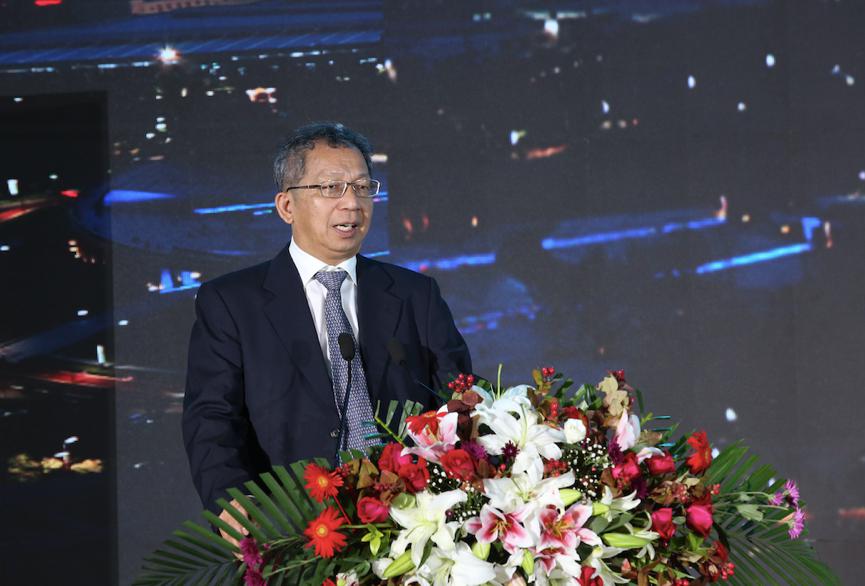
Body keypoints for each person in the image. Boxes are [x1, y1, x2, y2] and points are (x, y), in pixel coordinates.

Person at [182, 122, 471, 545]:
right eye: (331, 187)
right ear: (287, 206)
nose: (352, 203)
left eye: (362, 187)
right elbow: (212, 418)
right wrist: (234, 502)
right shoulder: (231, 302)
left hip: (411, 526)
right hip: (293, 531)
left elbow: (458, 400)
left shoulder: (415, 294)